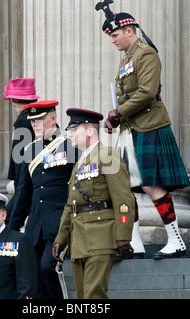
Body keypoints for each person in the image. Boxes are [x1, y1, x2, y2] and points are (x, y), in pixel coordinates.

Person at [97, 4, 190, 259]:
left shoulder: (146, 53)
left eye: (115, 35)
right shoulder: (127, 58)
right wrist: (117, 117)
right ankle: (134, 243)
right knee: (126, 187)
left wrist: (119, 112)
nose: (113, 40)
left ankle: (176, 240)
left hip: (150, 124)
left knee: (151, 185)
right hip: (131, 128)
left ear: (128, 30)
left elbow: (147, 91)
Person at [53, 108, 135, 299]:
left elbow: (123, 198)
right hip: (79, 240)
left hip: (101, 235)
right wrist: (61, 239)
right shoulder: (80, 162)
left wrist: (123, 234)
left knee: (93, 297)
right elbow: (71, 206)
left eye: (74, 129)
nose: (70, 134)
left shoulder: (107, 155)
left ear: (90, 130)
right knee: (83, 297)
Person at [8, 100, 79, 299]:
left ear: (53, 118)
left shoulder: (69, 145)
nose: (34, 124)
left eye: (39, 120)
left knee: (48, 267)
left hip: (58, 222)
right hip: (35, 225)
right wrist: (12, 228)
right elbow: (23, 193)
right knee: (34, 276)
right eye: (32, 121)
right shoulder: (30, 149)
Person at [3, 78, 38, 221]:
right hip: (36, 179)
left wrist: (19, 184)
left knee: (8, 219)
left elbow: (19, 157)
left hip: (26, 180)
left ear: (13, 101)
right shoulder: (38, 116)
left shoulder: (23, 121)